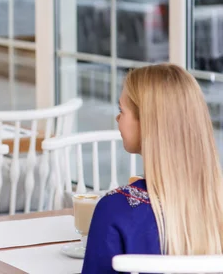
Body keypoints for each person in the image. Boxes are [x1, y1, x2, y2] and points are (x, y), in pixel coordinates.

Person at [82, 64, 223, 273]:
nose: (117, 118)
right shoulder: (216, 203)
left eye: (122, 110)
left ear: (147, 123)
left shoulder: (114, 210)